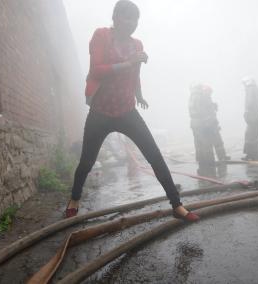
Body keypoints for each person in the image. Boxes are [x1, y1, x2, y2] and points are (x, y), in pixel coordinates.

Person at [65, 0, 199, 222]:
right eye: (127, 18)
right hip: (101, 111)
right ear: (116, 18)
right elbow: (96, 70)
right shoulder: (101, 35)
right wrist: (128, 63)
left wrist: (139, 95)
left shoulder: (137, 44)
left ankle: (177, 205)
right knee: (87, 162)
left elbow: (135, 74)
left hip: (127, 111)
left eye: (135, 19)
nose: (132, 23)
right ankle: (74, 199)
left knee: (155, 156)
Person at [189, 84, 229, 171]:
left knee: (199, 144)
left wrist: (212, 106)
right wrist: (210, 123)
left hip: (195, 124)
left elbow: (199, 110)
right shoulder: (201, 97)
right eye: (209, 92)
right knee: (207, 143)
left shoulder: (193, 96)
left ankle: (202, 161)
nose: (209, 94)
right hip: (204, 124)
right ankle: (211, 162)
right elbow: (204, 112)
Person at [242, 78, 258, 160]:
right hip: (256, 114)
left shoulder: (250, 89)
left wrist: (246, 112)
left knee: (249, 134)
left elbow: (250, 103)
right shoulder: (256, 90)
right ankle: (256, 153)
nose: (244, 86)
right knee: (255, 134)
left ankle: (250, 155)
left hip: (252, 115)